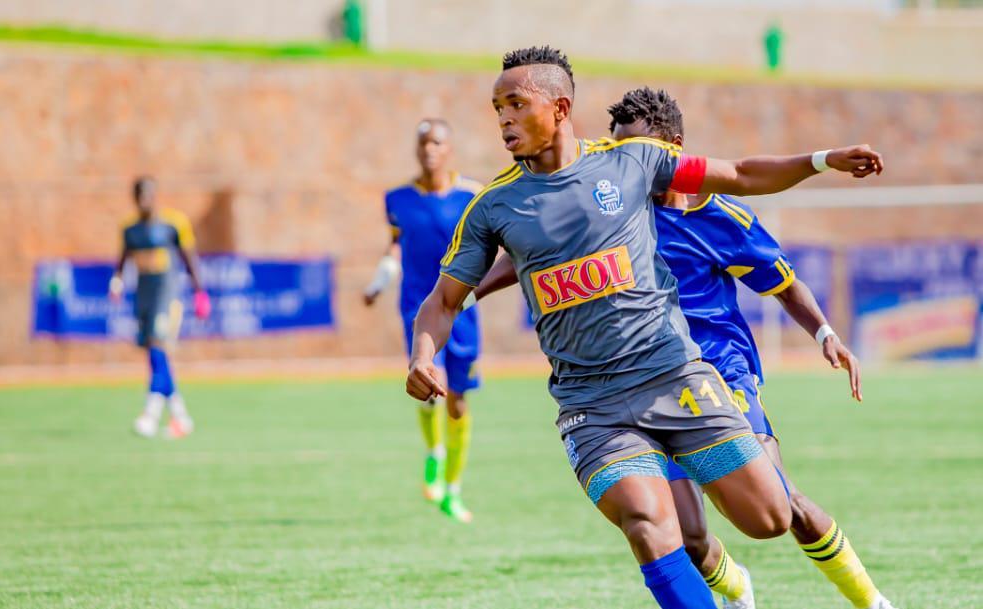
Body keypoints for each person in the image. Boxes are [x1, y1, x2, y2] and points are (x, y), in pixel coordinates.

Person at [405, 46, 883, 609]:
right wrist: (422, 355)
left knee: (771, 517)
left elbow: (740, 174)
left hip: (677, 377)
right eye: (497, 109)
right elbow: (441, 301)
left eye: (515, 104)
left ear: (560, 108)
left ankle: (769, 579)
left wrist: (823, 160)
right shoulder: (493, 206)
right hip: (593, 406)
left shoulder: (633, 161)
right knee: (650, 525)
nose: (503, 119)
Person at [364, 119, 483, 523]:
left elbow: (487, 248)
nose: (429, 150)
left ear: (449, 148)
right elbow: (395, 245)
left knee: (459, 402)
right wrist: (379, 281)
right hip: (419, 308)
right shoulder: (397, 199)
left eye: (436, 143)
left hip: (463, 310)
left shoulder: (471, 195)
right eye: (423, 143)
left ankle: (453, 489)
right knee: (433, 385)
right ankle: (434, 451)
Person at [110, 176, 211, 439]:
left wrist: (199, 292)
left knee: (157, 348)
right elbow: (123, 258)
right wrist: (117, 281)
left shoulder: (173, 223)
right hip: (144, 293)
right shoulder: (130, 228)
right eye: (140, 195)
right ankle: (180, 416)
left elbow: (189, 258)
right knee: (156, 355)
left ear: (155, 196)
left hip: (167, 295)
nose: (145, 200)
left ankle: (150, 414)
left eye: (149, 194)